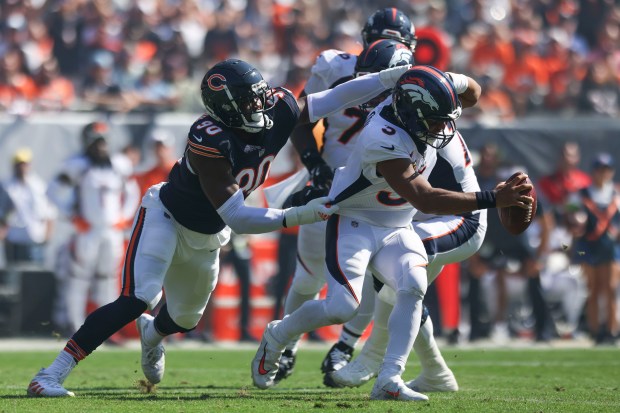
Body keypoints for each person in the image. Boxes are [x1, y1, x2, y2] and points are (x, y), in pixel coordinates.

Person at [27, 58, 411, 397]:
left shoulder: (276, 108)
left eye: (259, 96)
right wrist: (303, 214)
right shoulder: (209, 138)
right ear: (224, 108)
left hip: (207, 236)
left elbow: (334, 98)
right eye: (248, 101)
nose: (259, 106)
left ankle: (153, 335)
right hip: (167, 217)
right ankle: (51, 373)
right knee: (138, 297)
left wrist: (387, 79)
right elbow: (238, 216)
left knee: (184, 319)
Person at [251, 65, 533, 401]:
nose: (444, 128)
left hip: (397, 225)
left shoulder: (421, 96)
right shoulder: (383, 136)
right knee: (342, 307)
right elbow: (424, 197)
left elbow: (472, 92)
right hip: (354, 222)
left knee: (413, 285)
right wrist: (493, 198)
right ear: (412, 113)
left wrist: (452, 82)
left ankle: (389, 377)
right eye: (435, 120)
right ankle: (277, 334)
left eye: (446, 118)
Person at [276, 7, 419, 383]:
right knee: (308, 276)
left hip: (380, 193)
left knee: (372, 278)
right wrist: (314, 165)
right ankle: (287, 345)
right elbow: (301, 119)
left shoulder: (414, 81)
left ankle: (345, 346)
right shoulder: (334, 65)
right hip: (331, 185)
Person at [325, 128, 487, 391]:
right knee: (406, 289)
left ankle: (372, 357)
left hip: (459, 218)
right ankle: (436, 373)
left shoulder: (421, 129)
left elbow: (426, 198)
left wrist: (494, 199)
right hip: (428, 218)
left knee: (394, 261)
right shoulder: (416, 122)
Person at [46, 122, 140, 336]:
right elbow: (52, 191)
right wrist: (72, 216)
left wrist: (124, 217)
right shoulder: (77, 165)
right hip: (87, 231)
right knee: (79, 278)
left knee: (108, 278)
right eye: (96, 142)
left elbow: (133, 191)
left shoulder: (119, 164)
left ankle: (106, 329)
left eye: (103, 142)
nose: (101, 147)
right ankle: (76, 326)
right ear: (87, 143)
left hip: (112, 231)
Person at [567, 153, 619, 344]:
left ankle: (612, 330)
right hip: (588, 246)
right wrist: (575, 221)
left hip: (610, 246)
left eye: (606, 170)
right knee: (594, 289)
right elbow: (570, 213)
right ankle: (595, 330)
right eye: (599, 170)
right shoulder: (581, 194)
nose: (602, 174)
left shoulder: (616, 194)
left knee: (611, 289)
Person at [0, 148, 56, 266]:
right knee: (13, 276)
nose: (22, 167)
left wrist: (48, 235)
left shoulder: (39, 186)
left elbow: (50, 213)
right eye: (19, 164)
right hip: (13, 239)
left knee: (34, 276)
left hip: (34, 239)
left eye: (24, 164)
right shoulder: (6, 186)